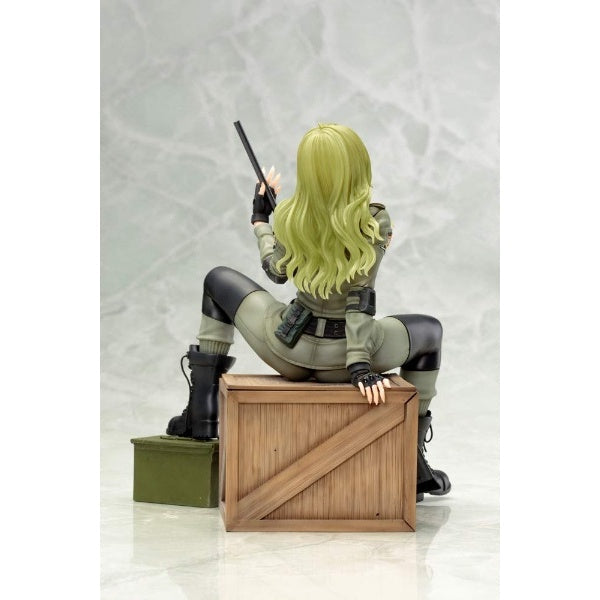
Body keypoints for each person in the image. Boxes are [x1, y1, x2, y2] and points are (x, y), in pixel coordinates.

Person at [166, 123, 450, 500]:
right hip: (345, 359)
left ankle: (201, 414)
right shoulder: (373, 221)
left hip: (287, 348)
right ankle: (413, 461)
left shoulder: (291, 215)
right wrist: (359, 366)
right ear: (357, 166)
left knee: (217, 280)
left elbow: (276, 272)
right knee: (429, 331)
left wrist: (262, 222)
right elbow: (360, 298)